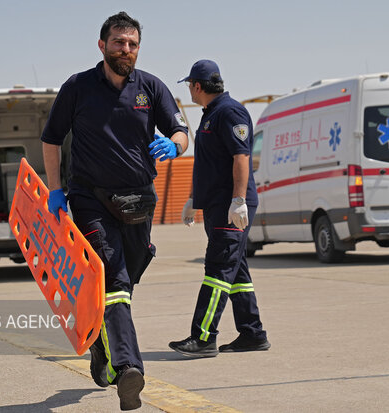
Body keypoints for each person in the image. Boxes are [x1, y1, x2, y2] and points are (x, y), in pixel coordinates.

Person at [41, 12, 188, 411]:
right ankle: (128, 369)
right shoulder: (77, 88)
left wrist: (174, 144)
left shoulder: (151, 87)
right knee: (113, 277)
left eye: (133, 44)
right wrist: (57, 191)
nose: (126, 50)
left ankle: (102, 352)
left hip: (139, 199)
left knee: (129, 275)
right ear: (102, 45)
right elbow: (52, 140)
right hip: (91, 199)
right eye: (119, 42)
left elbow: (180, 130)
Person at [168, 60, 269, 357]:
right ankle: (252, 334)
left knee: (217, 271)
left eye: (189, 85)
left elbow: (241, 157)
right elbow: (209, 165)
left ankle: (203, 338)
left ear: (198, 86)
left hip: (230, 206)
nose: (188, 89)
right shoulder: (211, 114)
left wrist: (238, 200)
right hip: (216, 205)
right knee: (236, 273)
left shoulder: (230, 112)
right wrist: (193, 199)